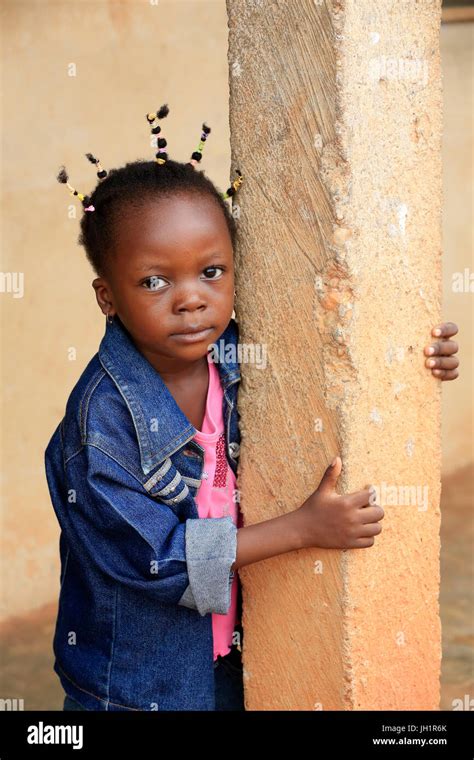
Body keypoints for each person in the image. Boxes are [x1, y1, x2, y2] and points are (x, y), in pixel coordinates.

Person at [44, 104, 460, 712]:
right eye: (155, 282)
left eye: (211, 272)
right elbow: (159, 560)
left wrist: (421, 357)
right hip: (139, 685)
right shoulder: (100, 425)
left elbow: (334, 358)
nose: (191, 300)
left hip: (235, 654)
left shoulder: (239, 353)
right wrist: (302, 529)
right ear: (107, 296)